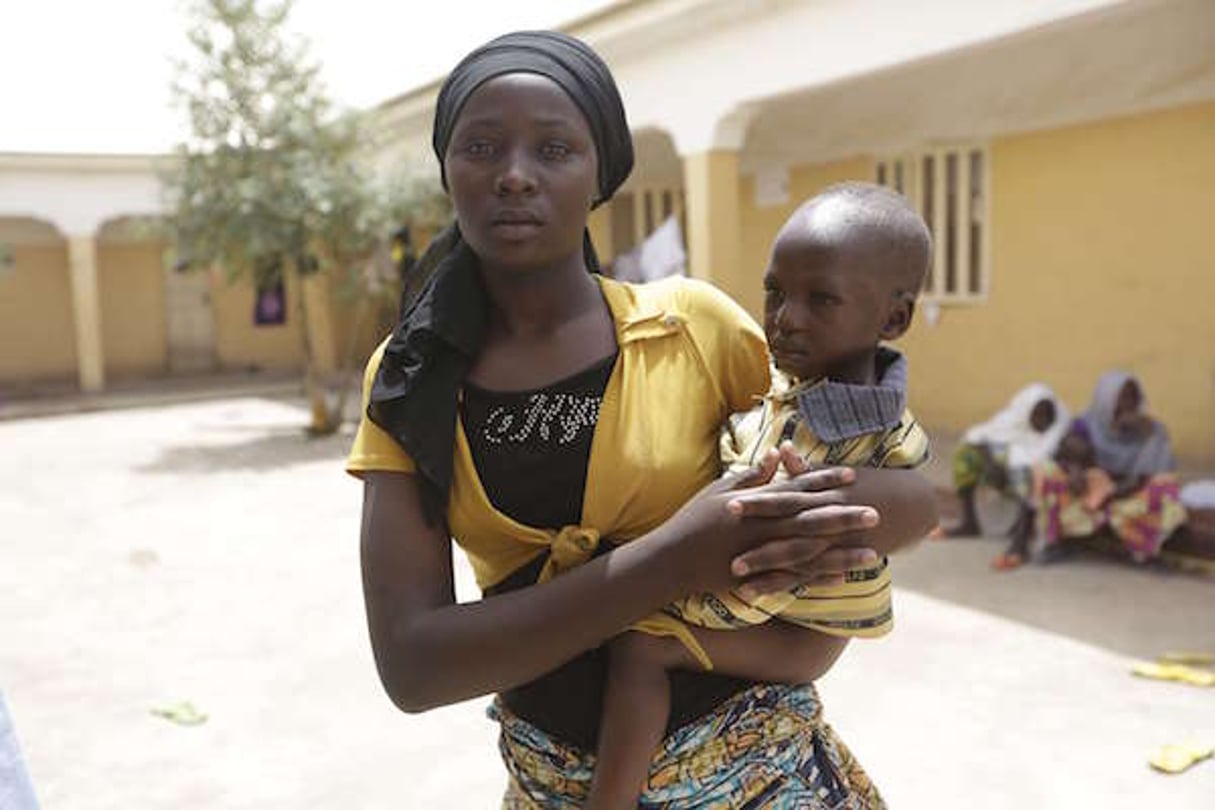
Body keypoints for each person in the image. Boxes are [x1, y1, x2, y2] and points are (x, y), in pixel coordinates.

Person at [347, 31, 938, 808]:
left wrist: (908, 505)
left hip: (757, 774)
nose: (515, 176)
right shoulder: (409, 380)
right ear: (447, 168)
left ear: (600, 175)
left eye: (554, 149)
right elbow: (413, 668)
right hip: (554, 785)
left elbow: (875, 471)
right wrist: (672, 556)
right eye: (481, 146)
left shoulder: (692, 327)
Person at [586, 183, 933, 809]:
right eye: (776, 292)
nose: (786, 316)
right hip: (789, 619)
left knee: (639, 643)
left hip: (788, 618)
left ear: (894, 318)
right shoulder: (785, 386)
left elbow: (906, 502)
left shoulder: (867, 426)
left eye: (820, 299)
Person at [998, 371, 1185, 569]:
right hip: (1088, 495)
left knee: (1165, 491)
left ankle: (1143, 551)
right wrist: (1074, 470)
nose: (1129, 404)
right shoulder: (1085, 424)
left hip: (1129, 497)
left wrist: (1150, 437)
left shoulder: (1152, 430)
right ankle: (1058, 541)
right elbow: (1063, 452)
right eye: (1121, 398)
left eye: (1133, 397)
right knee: (1046, 472)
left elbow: (1160, 471)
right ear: (1105, 400)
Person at [949, 384, 1068, 540]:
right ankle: (970, 523)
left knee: (1038, 470)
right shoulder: (1012, 420)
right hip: (998, 472)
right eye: (1037, 415)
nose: (1043, 421)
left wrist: (1015, 466)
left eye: (1048, 416)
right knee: (965, 456)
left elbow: (1043, 460)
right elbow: (976, 438)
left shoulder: (1060, 429)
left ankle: (1024, 527)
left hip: (1031, 482)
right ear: (1026, 411)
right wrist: (990, 463)